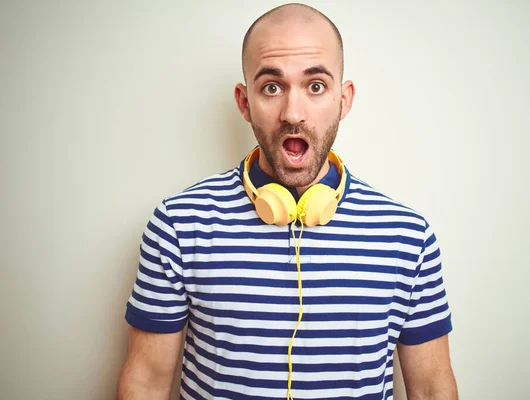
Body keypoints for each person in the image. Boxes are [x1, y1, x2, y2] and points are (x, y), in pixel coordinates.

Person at [116, 3, 458, 399]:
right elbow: (147, 382)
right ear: (244, 103)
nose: (293, 113)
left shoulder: (408, 238)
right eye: (272, 87)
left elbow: (432, 389)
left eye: (315, 86)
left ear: (344, 100)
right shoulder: (178, 225)